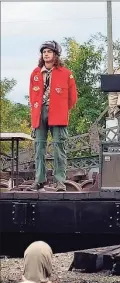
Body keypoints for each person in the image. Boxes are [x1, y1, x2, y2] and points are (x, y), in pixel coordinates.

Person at [28, 40, 78, 192]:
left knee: (59, 148)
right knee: (39, 147)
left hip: (58, 114)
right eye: (44, 52)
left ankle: (60, 181)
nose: (46, 54)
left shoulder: (66, 73)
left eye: (49, 51)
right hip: (40, 112)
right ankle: (39, 179)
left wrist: (61, 109)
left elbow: (72, 97)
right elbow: (32, 95)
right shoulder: (36, 73)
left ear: (56, 55)